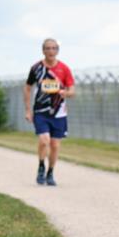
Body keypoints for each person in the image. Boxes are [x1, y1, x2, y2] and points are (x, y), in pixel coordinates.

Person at [23, 38, 75, 186]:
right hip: (40, 111)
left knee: (55, 145)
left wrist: (66, 93)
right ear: (43, 50)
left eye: (53, 48)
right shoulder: (36, 68)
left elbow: (72, 89)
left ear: (57, 50)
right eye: (48, 48)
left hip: (58, 112)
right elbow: (27, 87)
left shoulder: (64, 69)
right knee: (44, 140)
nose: (51, 51)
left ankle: (50, 172)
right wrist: (28, 110)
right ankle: (41, 166)